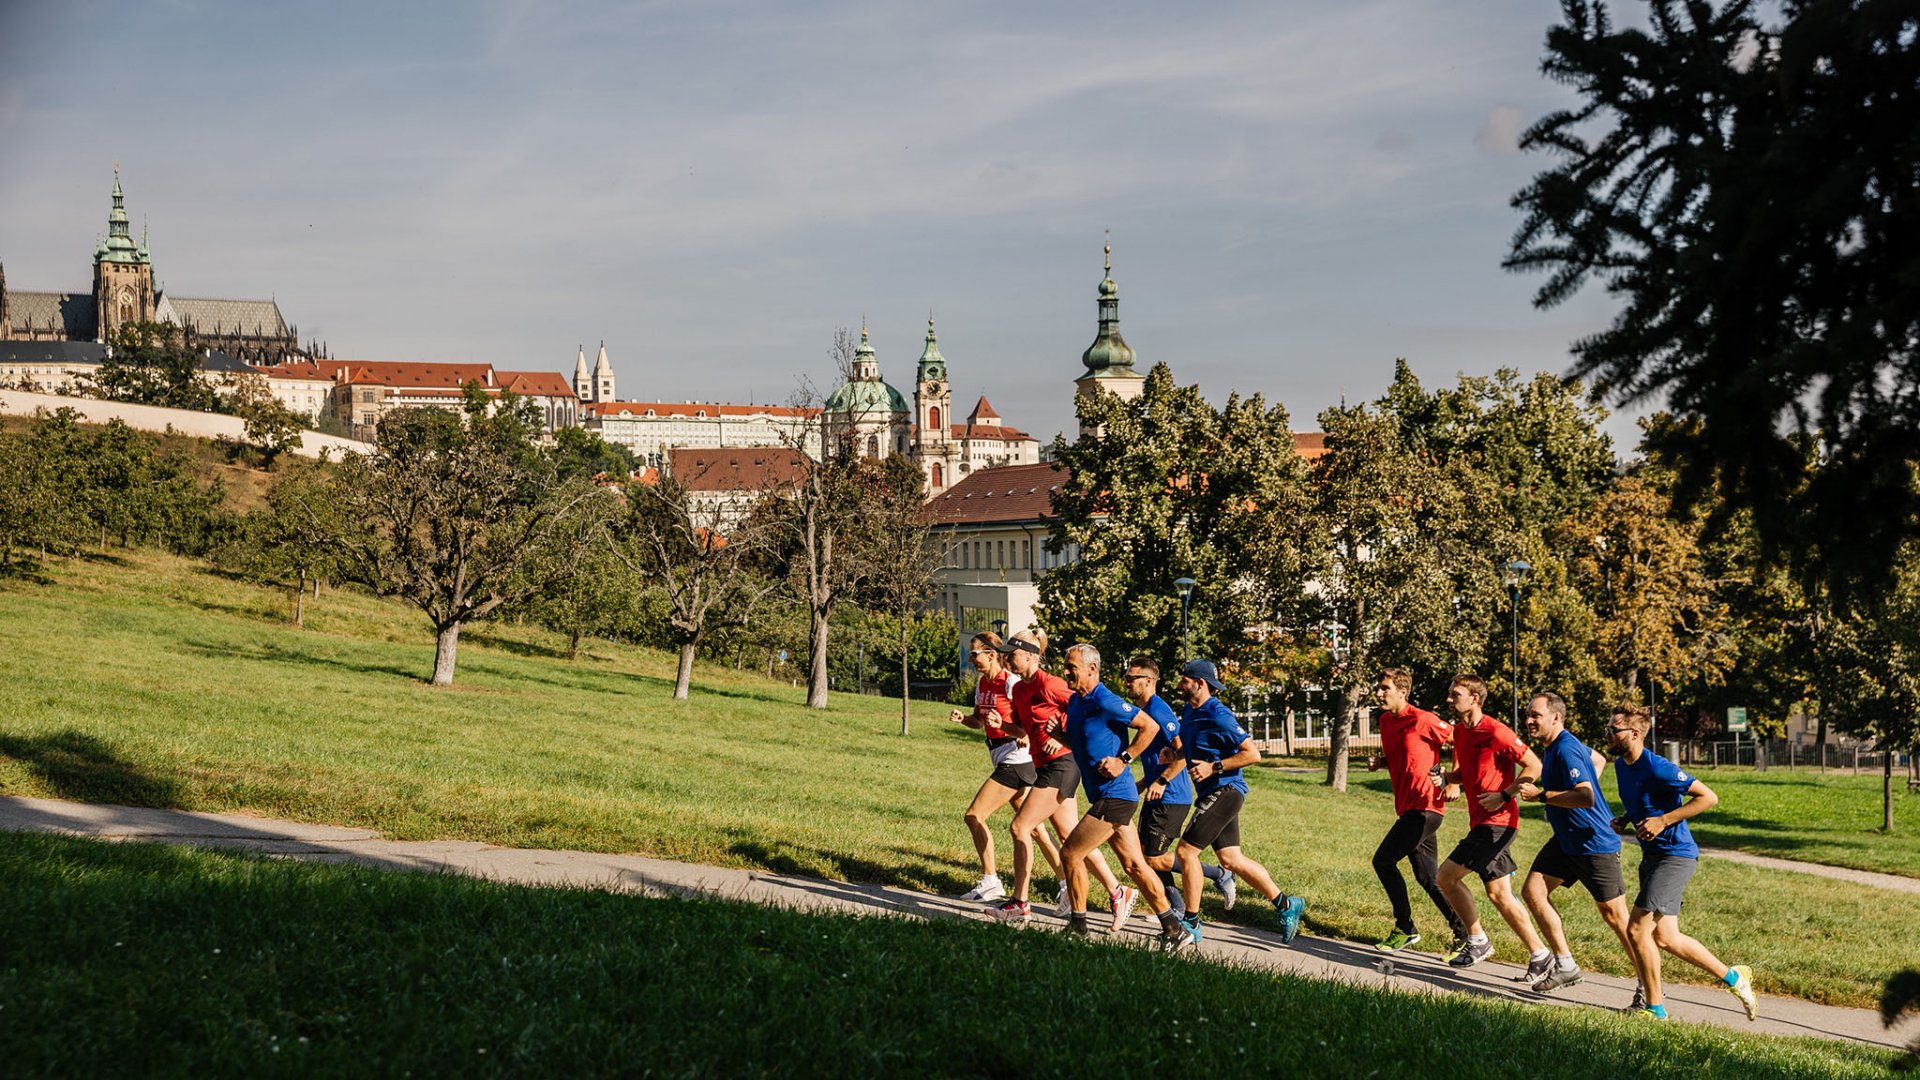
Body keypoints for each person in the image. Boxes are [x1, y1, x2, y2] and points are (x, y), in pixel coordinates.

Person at [1607, 702, 1758, 1020]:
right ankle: (1734, 977)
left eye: (1613, 729)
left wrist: (1662, 821)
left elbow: (1708, 796)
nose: (1608, 734)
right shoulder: (1622, 766)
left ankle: (1655, 1009)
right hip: (1654, 856)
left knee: (1636, 930)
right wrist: (1626, 818)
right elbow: (1644, 803)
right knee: (1665, 937)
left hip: (1675, 856)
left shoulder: (1657, 766)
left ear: (1634, 734)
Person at [989, 629, 1134, 926]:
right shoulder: (1019, 690)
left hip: (1063, 764)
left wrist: (1064, 737)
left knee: (1020, 827)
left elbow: (1082, 707)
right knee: (1072, 838)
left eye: (1011, 654)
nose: (1006, 659)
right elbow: (1024, 731)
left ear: (1030, 656)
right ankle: (1118, 891)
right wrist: (1003, 725)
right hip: (1045, 765)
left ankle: (1020, 902)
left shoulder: (1051, 684)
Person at [1056, 644, 1196, 946]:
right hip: (1103, 794)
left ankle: (1078, 928)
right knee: (1135, 866)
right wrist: (1059, 736)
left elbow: (1149, 725)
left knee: (1070, 853)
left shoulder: (1104, 698)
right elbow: (1085, 742)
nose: (1065, 672)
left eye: (1072, 668)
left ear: (1092, 669)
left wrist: (1125, 758)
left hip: (1115, 795)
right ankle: (1175, 928)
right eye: (1065, 666)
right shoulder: (1076, 702)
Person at [1173, 658, 1306, 945]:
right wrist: (1173, 756)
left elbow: (1253, 754)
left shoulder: (1219, 714)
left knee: (1186, 852)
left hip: (1226, 789)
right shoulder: (1189, 710)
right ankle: (1287, 905)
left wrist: (1214, 767)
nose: (1179, 683)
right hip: (1213, 792)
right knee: (1231, 859)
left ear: (1200, 683)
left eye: (1184, 679)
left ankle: (1192, 921)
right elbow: (1195, 746)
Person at [1513, 691, 1633, 993]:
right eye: (1527, 714)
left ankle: (1648, 984)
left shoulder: (1565, 750)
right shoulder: (1560, 746)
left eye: (1535, 715)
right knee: (1534, 891)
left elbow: (1586, 795)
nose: (1528, 720)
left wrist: (1542, 796)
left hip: (1594, 842)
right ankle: (1565, 964)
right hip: (1567, 840)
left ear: (1556, 717)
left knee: (1616, 917)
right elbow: (1598, 759)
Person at [1435, 674, 1549, 968]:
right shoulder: (1460, 732)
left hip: (1498, 824)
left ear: (1474, 698)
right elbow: (1468, 773)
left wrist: (1505, 794)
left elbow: (1534, 764)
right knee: (1499, 894)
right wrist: (1448, 778)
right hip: (1481, 822)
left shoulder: (1497, 731)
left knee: (1446, 877)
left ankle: (1477, 941)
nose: (1449, 699)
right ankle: (1541, 955)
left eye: (1455, 694)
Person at [948, 631, 1060, 902]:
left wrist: (1015, 731)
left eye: (975, 654)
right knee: (1035, 828)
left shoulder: (1010, 682)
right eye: (970, 654)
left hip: (1017, 760)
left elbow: (1026, 724)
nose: (971, 658)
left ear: (991, 654)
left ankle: (991, 880)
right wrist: (963, 719)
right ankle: (1066, 882)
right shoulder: (982, 685)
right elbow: (979, 721)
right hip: (1001, 755)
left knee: (974, 815)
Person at [1365, 667, 1467, 952]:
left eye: (1385, 688)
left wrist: (1453, 780)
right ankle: (1465, 933)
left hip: (1426, 807)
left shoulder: (1423, 719)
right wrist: (1381, 763)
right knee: (1429, 877)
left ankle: (1405, 927)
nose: (1379, 693)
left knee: (1383, 861)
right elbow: (1404, 756)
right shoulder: (1386, 721)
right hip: (1407, 807)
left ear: (1402, 692)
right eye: (1379, 688)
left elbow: (1460, 738)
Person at [1124, 656, 1235, 916]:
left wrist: (1162, 781)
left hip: (1172, 796)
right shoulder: (1146, 710)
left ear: (1148, 681)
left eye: (1132, 678)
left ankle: (1219, 874)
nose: (1126, 682)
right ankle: (1175, 907)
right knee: (1146, 854)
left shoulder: (1159, 710)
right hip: (1158, 793)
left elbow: (1183, 752)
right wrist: (1144, 782)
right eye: (1127, 677)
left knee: (1153, 858)